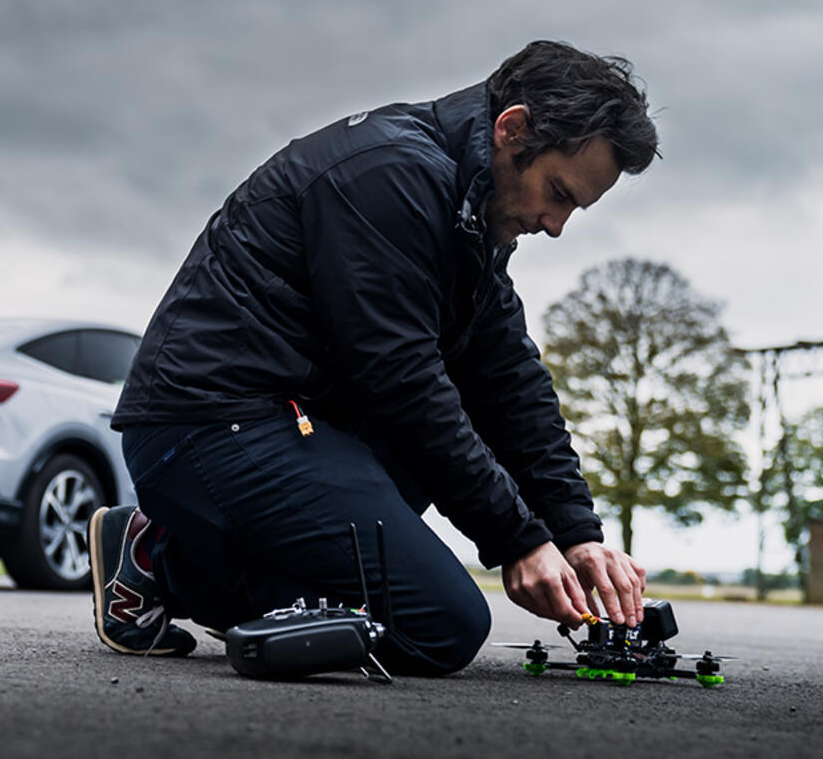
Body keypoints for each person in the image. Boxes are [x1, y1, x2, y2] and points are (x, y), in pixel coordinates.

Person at [89, 40, 657, 674]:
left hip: (297, 422)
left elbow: (509, 381)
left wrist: (575, 533)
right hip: (208, 423)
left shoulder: (472, 214)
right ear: (512, 129)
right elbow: (403, 381)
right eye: (557, 192)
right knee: (438, 625)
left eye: (575, 208)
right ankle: (161, 563)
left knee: (460, 423)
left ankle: (186, 552)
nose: (556, 224)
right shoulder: (389, 174)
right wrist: (519, 541)